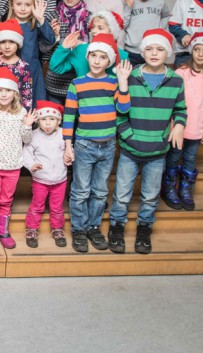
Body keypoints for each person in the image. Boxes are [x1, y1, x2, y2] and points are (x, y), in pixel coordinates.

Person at [109, 29, 186, 255]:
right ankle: (116, 226)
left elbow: (181, 109)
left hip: (158, 150)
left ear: (168, 53)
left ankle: (144, 227)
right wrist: (128, 136)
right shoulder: (130, 76)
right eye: (149, 49)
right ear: (142, 52)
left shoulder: (176, 81)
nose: (154, 53)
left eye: (160, 49)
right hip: (130, 149)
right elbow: (120, 113)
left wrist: (179, 125)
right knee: (122, 193)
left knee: (151, 195)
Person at [63, 33, 132, 253]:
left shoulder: (113, 83)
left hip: (108, 144)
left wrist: (122, 83)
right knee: (81, 189)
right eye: (93, 55)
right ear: (88, 56)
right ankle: (79, 229)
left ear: (109, 61)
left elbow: (123, 109)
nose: (96, 60)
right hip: (84, 144)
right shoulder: (77, 84)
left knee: (100, 191)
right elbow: (69, 116)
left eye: (102, 57)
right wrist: (67, 145)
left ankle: (94, 226)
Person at [162, 31, 203, 211]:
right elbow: (172, 101)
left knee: (189, 158)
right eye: (197, 49)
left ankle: (185, 189)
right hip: (178, 128)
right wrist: (171, 125)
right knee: (173, 157)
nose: (200, 54)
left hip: (197, 128)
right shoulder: (181, 72)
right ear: (191, 51)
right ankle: (168, 188)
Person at [0, 66, 35, 251]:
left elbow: (26, 140)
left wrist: (27, 126)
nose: (4, 95)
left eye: (8, 91)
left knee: (6, 200)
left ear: (15, 93)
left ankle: (3, 232)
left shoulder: (21, 113)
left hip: (13, 166)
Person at [22, 100, 69, 248]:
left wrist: (69, 155)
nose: (48, 123)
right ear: (38, 121)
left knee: (57, 207)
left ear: (58, 121)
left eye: (52, 119)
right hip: (41, 180)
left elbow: (69, 149)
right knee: (37, 205)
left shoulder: (63, 134)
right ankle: (31, 229)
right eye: (44, 120)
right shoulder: (34, 135)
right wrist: (31, 165)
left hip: (60, 180)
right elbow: (26, 153)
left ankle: (57, 229)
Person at [45, 0, 89, 105]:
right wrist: (55, 36)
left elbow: (93, 49)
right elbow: (43, 48)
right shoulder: (52, 15)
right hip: (55, 79)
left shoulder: (89, 17)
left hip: (78, 78)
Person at [6, 0, 54, 106]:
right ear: (12, 5)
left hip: (32, 70)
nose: (23, 8)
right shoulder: (7, 25)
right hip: (12, 71)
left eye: (28, 5)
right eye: (19, 4)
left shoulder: (34, 25)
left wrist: (41, 19)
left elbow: (50, 40)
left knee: (33, 105)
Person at [49, 10, 129, 81]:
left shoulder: (122, 56)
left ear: (111, 31)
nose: (94, 31)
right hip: (83, 96)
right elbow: (56, 67)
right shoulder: (81, 50)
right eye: (93, 27)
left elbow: (125, 84)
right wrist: (64, 48)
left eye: (100, 28)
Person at [122, 0, 170, 66]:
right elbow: (123, 25)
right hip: (132, 51)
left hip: (152, 49)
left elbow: (166, 15)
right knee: (132, 78)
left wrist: (161, 29)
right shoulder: (130, 2)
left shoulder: (160, 2)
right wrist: (128, 7)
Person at [0, 19, 32, 110]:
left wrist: (25, 115)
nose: (7, 46)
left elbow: (27, 95)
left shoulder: (24, 66)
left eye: (12, 42)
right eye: (3, 42)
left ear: (18, 44)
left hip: (16, 112)